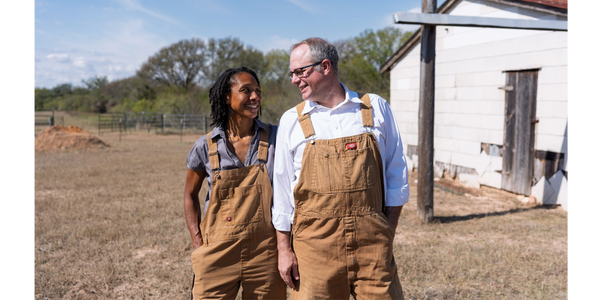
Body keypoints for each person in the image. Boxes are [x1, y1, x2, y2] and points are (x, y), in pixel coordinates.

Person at [272, 37, 409, 300]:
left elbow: (397, 177)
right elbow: (281, 194)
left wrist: (385, 234)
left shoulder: (374, 109)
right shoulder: (292, 120)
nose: (294, 80)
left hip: (373, 247)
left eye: (300, 72)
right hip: (314, 250)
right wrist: (284, 250)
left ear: (325, 66)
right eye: (292, 73)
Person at [184, 66, 286, 300]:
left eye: (257, 91)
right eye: (246, 90)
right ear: (226, 97)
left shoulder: (276, 138)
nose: (254, 97)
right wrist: (198, 242)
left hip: (265, 253)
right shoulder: (205, 146)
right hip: (217, 251)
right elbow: (190, 195)